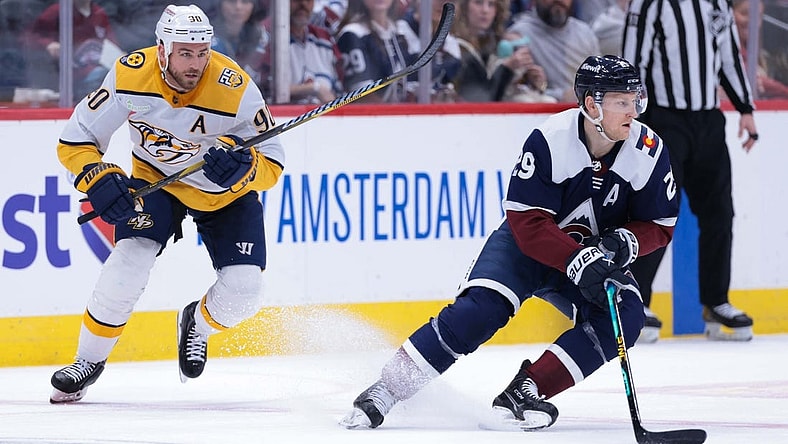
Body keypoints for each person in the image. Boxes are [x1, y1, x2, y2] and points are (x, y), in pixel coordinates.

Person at [340, 55, 679, 430]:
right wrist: (574, 257)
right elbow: (527, 222)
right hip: (530, 248)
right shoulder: (550, 140)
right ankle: (386, 388)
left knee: (626, 317)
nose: (632, 112)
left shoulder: (648, 149)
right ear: (590, 105)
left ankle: (527, 389)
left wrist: (622, 243)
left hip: (594, 255)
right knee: (479, 311)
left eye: (635, 100)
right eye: (621, 102)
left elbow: (659, 223)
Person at [49, 4, 285, 403]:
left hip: (223, 194)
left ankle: (198, 324)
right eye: (185, 53)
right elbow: (78, 138)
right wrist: (96, 176)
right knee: (129, 261)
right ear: (162, 49)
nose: (195, 63)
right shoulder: (129, 74)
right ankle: (88, 361)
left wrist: (243, 169)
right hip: (157, 182)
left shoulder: (236, 87)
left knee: (244, 290)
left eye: (202, 52)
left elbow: (273, 161)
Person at [623, 0, 758, 342]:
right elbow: (634, 58)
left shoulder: (717, 2)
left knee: (720, 212)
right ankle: (635, 301)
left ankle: (716, 301)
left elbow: (728, 56)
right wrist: (632, 113)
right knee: (658, 209)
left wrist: (745, 107)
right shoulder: (651, 2)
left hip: (709, 119)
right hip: (665, 119)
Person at [450, 0, 547, 103]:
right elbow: (482, 98)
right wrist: (507, 68)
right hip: (474, 112)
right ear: (464, 7)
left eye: (491, 4)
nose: (485, 10)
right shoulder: (454, 46)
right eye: (478, 2)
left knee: (548, 102)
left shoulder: (500, 43)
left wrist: (531, 81)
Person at [506, 0, 599, 102]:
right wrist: (561, 96)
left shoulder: (585, 32)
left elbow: (599, 81)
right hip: (542, 110)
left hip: (586, 109)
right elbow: (518, 91)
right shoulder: (519, 34)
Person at [27, 0, 119, 102]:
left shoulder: (99, 13)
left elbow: (110, 42)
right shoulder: (57, 11)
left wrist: (118, 55)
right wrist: (48, 44)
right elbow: (31, 36)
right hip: (72, 74)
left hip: (98, 67)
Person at [336, 0, 422, 103]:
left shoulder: (398, 32)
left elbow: (410, 82)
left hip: (399, 114)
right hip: (367, 116)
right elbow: (362, 96)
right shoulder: (353, 34)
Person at [285, 0, 344, 104]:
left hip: (327, 118)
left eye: (308, 0)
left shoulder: (325, 39)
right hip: (287, 117)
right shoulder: (269, 39)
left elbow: (341, 91)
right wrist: (313, 88)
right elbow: (264, 90)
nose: (303, 4)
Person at [211, 0, 271, 97]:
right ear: (220, 4)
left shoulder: (261, 35)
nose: (238, 7)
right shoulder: (208, 38)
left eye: (245, 1)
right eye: (231, 1)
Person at [732, 0, 788, 99]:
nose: (751, 21)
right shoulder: (722, 54)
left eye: (758, 16)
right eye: (744, 13)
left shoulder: (765, 57)